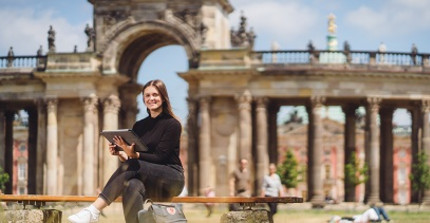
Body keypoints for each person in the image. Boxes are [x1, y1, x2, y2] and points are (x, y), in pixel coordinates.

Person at [68, 79, 185, 223]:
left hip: (171, 178)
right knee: (132, 185)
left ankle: (93, 211)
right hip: (148, 178)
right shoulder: (139, 126)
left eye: (155, 95)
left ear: (163, 97)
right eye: (147, 95)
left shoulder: (172, 124)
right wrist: (122, 153)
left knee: (134, 165)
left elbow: (160, 157)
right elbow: (137, 162)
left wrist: (134, 155)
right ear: (143, 98)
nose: (151, 99)